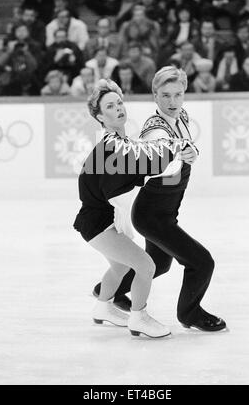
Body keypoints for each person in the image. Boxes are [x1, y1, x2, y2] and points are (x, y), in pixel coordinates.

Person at [94, 66, 227, 332]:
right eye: (165, 95)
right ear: (155, 96)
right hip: (152, 215)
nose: (172, 102)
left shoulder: (182, 116)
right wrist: (180, 154)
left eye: (178, 94)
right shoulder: (154, 130)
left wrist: (189, 150)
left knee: (160, 265)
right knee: (201, 262)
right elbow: (159, 157)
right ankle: (190, 314)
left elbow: (186, 145)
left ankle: (108, 290)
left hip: (164, 212)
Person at [74, 78, 185, 337]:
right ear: (100, 116)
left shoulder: (120, 142)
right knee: (146, 266)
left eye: (120, 103)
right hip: (98, 223)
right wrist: (180, 149)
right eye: (110, 106)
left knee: (121, 266)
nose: (118, 108)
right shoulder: (112, 145)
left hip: (99, 219)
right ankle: (139, 317)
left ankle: (103, 307)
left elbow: (141, 159)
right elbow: (144, 165)